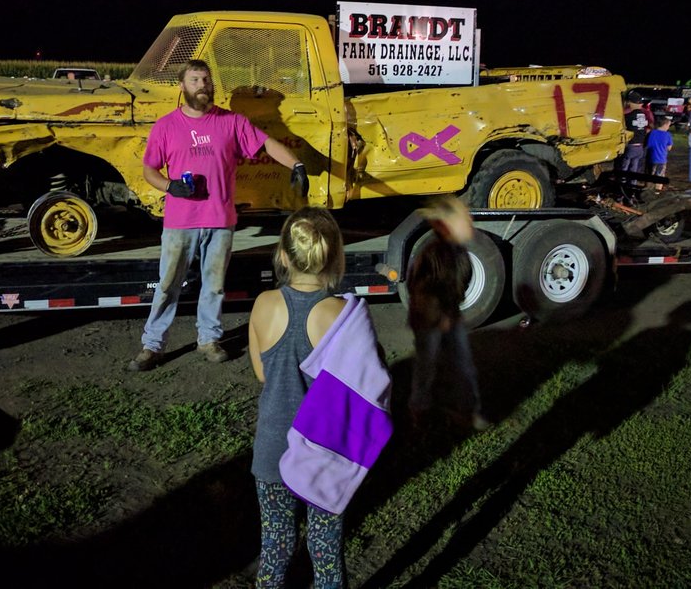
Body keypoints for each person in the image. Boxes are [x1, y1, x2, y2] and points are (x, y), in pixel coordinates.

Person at [129, 59, 308, 370]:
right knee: (169, 283)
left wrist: (296, 164)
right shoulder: (166, 126)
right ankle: (152, 345)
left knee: (214, 285)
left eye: (207, 80)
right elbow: (149, 169)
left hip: (220, 220)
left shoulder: (231, 122)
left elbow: (267, 144)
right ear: (182, 86)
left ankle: (208, 339)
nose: (203, 86)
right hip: (180, 222)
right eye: (195, 80)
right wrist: (170, 186)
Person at [248, 206, 391, 588]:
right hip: (325, 452)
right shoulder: (344, 316)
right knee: (326, 550)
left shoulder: (263, 305)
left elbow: (263, 373)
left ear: (282, 256)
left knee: (275, 548)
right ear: (336, 258)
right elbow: (370, 383)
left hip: (271, 450)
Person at [407, 195, 489, 431]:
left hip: (448, 316)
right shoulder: (434, 253)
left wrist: (451, 312)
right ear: (444, 225)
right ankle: (419, 411)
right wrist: (439, 317)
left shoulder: (457, 251)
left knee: (462, 364)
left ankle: (466, 411)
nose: (470, 222)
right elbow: (421, 290)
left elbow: (457, 284)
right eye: (464, 219)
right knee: (426, 365)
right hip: (431, 319)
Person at [619, 91, 649, 181]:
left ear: (630, 103)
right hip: (640, 146)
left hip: (631, 146)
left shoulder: (628, 116)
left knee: (624, 167)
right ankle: (633, 183)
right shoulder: (644, 115)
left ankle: (622, 183)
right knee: (634, 168)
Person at [646, 116, 674, 189]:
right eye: (668, 125)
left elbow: (649, 145)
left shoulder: (652, 133)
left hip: (651, 158)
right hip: (662, 159)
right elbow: (669, 148)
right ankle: (657, 191)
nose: (668, 127)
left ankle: (648, 189)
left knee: (649, 175)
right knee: (660, 176)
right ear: (665, 125)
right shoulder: (667, 135)